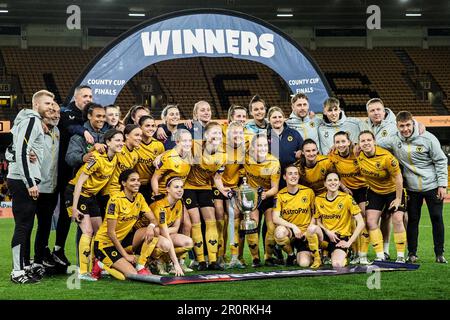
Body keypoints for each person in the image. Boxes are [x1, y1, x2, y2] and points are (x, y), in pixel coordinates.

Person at [382, 111, 448, 263]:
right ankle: (412, 253)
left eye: (408, 125)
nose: (405, 129)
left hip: (432, 185)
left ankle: (439, 253)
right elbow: (376, 143)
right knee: (412, 220)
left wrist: (442, 185)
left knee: (437, 218)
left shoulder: (428, 138)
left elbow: (440, 160)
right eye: (401, 126)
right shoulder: (394, 139)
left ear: (413, 123)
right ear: (397, 126)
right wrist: (358, 145)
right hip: (412, 188)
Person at [92, 169, 183, 280]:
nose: (137, 183)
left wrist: (151, 226)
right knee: (128, 276)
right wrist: (126, 256)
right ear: (123, 183)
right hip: (105, 244)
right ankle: (101, 265)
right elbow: (110, 233)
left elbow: (153, 219)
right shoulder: (115, 200)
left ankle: (141, 265)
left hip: (123, 241)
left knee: (154, 230)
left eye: (138, 180)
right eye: (133, 180)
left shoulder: (139, 197)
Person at [7, 90, 53, 284]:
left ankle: (24, 266)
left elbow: (14, 150)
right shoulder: (32, 121)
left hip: (21, 178)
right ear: (36, 105)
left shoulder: (28, 121)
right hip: (22, 180)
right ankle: (17, 272)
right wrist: (30, 182)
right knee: (23, 226)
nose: (50, 107)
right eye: (47, 103)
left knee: (26, 226)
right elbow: (23, 151)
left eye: (52, 104)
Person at [65, 129, 124, 280]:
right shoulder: (96, 158)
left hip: (91, 196)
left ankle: (95, 266)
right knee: (87, 231)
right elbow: (79, 182)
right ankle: (83, 272)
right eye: (117, 140)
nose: (121, 143)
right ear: (108, 142)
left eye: (122, 140)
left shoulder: (116, 158)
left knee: (99, 233)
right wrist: (74, 207)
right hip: (76, 193)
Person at [53, 85, 93, 268]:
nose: (88, 99)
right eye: (85, 96)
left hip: (84, 174)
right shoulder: (66, 112)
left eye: (90, 96)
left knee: (83, 215)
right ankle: (53, 251)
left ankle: (82, 256)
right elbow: (69, 126)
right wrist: (84, 131)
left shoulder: (91, 115)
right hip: (62, 171)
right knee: (58, 214)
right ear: (76, 98)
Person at [183, 122, 229, 271]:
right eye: (213, 133)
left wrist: (223, 190)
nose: (216, 136)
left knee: (211, 221)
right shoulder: (195, 145)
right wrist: (161, 157)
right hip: (188, 187)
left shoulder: (223, 155)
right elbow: (176, 151)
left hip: (205, 188)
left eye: (219, 133)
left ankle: (213, 260)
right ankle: (201, 261)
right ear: (206, 135)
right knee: (196, 222)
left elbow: (217, 177)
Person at [357, 130, 407, 262]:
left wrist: (398, 198)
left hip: (393, 191)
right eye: (363, 141)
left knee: (397, 219)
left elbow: (398, 178)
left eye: (369, 140)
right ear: (359, 144)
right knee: (370, 221)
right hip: (375, 192)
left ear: (374, 141)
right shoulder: (358, 154)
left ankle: (401, 256)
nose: (366, 143)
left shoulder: (387, 157)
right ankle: (380, 255)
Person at [134, 176, 192, 275]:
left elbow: (176, 228)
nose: (180, 190)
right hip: (140, 238)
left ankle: (163, 261)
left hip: (158, 234)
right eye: (176, 187)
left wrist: (159, 230)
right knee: (165, 243)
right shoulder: (160, 206)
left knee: (188, 242)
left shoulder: (179, 203)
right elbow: (166, 233)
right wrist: (176, 264)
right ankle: (148, 262)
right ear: (168, 189)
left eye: (181, 187)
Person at [329, 131, 370, 264]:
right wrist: (344, 187)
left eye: (343, 141)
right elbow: (332, 173)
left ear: (349, 142)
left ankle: (363, 253)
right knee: (350, 221)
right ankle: (354, 251)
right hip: (348, 190)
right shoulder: (332, 155)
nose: (340, 145)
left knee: (363, 217)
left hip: (363, 188)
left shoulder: (358, 152)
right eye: (337, 142)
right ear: (334, 144)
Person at [272, 165, 322, 268]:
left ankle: (316, 252)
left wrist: (308, 230)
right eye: (290, 174)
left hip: (306, 233)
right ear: (285, 177)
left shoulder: (308, 192)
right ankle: (291, 255)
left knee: (304, 264)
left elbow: (315, 214)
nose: (293, 176)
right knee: (279, 232)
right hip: (291, 232)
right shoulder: (280, 195)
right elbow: (275, 218)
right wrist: (293, 227)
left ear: (299, 176)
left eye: (296, 174)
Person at [313, 172, 365, 268]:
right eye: (329, 180)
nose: (333, 182)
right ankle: (318, 256)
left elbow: (361, 223)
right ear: (325, 183)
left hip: (340, 238)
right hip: (325, 236)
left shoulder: (347, 198)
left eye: (335, 180)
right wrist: (327, 231)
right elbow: (318, 221)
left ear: (339, 183)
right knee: (312, 229)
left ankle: (341, 252)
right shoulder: (318, 199)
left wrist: (349, 243)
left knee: (337, 264)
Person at [243, 134, 280, 267]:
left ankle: (268, 257)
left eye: (265, 145)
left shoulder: (274, 162)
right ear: (252, 147)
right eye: (259, 145)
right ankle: (255, 259)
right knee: (252, 226)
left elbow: (275, 188)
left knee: (271, 228)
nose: (263, 148)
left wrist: (266, 194)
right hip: (252, 197)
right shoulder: (246, 157)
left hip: (268, 196)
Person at [33, 102, 61, 276]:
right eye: (51, 111)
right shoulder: (34, 127)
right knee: (28, 226)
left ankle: (39, 259)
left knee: (44, 225)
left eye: (58, 112)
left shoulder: (57, 132)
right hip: (34, 186)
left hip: (50, 187)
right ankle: (25, 261)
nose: (56, 114)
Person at [99, 124, 142, 212]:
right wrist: (95, 146)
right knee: (75, 218)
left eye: (141, 135)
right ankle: (72, 226)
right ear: (126, 136)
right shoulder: (116, 149)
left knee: (97, 222)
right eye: (136, 135)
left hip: (120, 192)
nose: (140, 138)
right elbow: (96, 154)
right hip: (106, 192)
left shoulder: (135, 155)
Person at [266, 106, 303, 189]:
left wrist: (301, 151)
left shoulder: (293, 133)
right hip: (272, 177)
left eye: (280, 117)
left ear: (284, 118)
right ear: (269, 119)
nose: (277, 119)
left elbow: (302, 149)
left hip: (291, 176)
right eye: (274, 117)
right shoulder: (265, 136)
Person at [65, 103, 107, 172]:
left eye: (103, 116)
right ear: (89, 116)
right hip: (82, 180)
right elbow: (69, 158)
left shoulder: (106, 135)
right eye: (98, 116)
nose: (102, 119)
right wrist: (82, 158)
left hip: (101, 180)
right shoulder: (78, 137)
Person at [135, 115, 165, 205]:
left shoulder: (159, 145)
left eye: (153, 126)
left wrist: (162, 155)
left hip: (152, 185)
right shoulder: (135, 144)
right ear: (140, 127)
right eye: (147, 126)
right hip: (136, 185)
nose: (151, 128)